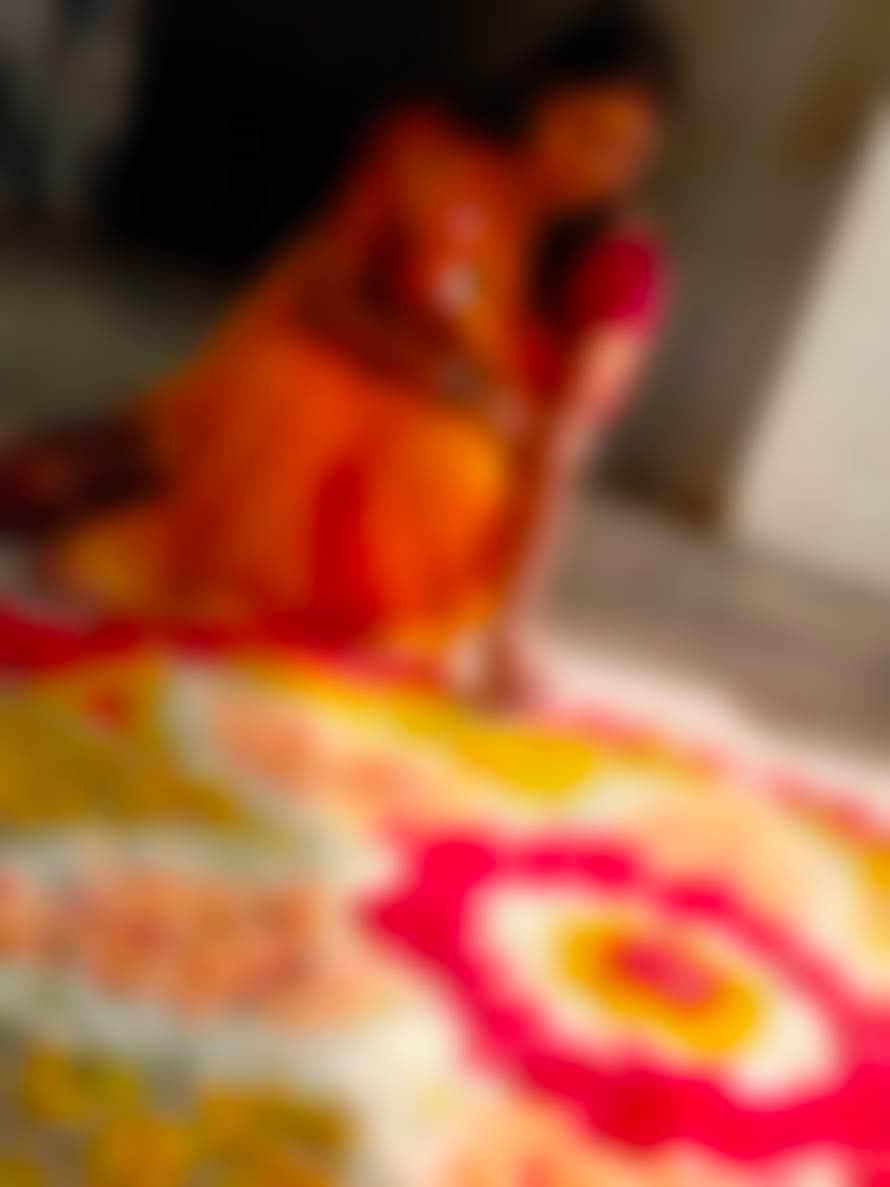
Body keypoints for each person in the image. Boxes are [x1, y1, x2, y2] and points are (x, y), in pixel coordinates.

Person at [1, 3, 677, 701]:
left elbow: (560, 445)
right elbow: (323, 292)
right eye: (584, 132)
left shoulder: (618, 266)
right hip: (346, 370)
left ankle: (261, 576)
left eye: (622, 152)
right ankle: (102, 493)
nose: (595, 166)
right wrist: (443, 373)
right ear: (538, 100)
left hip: (444, 478)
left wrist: (512, 630)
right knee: (283, 390)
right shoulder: (432, 157)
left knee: (434, 465)